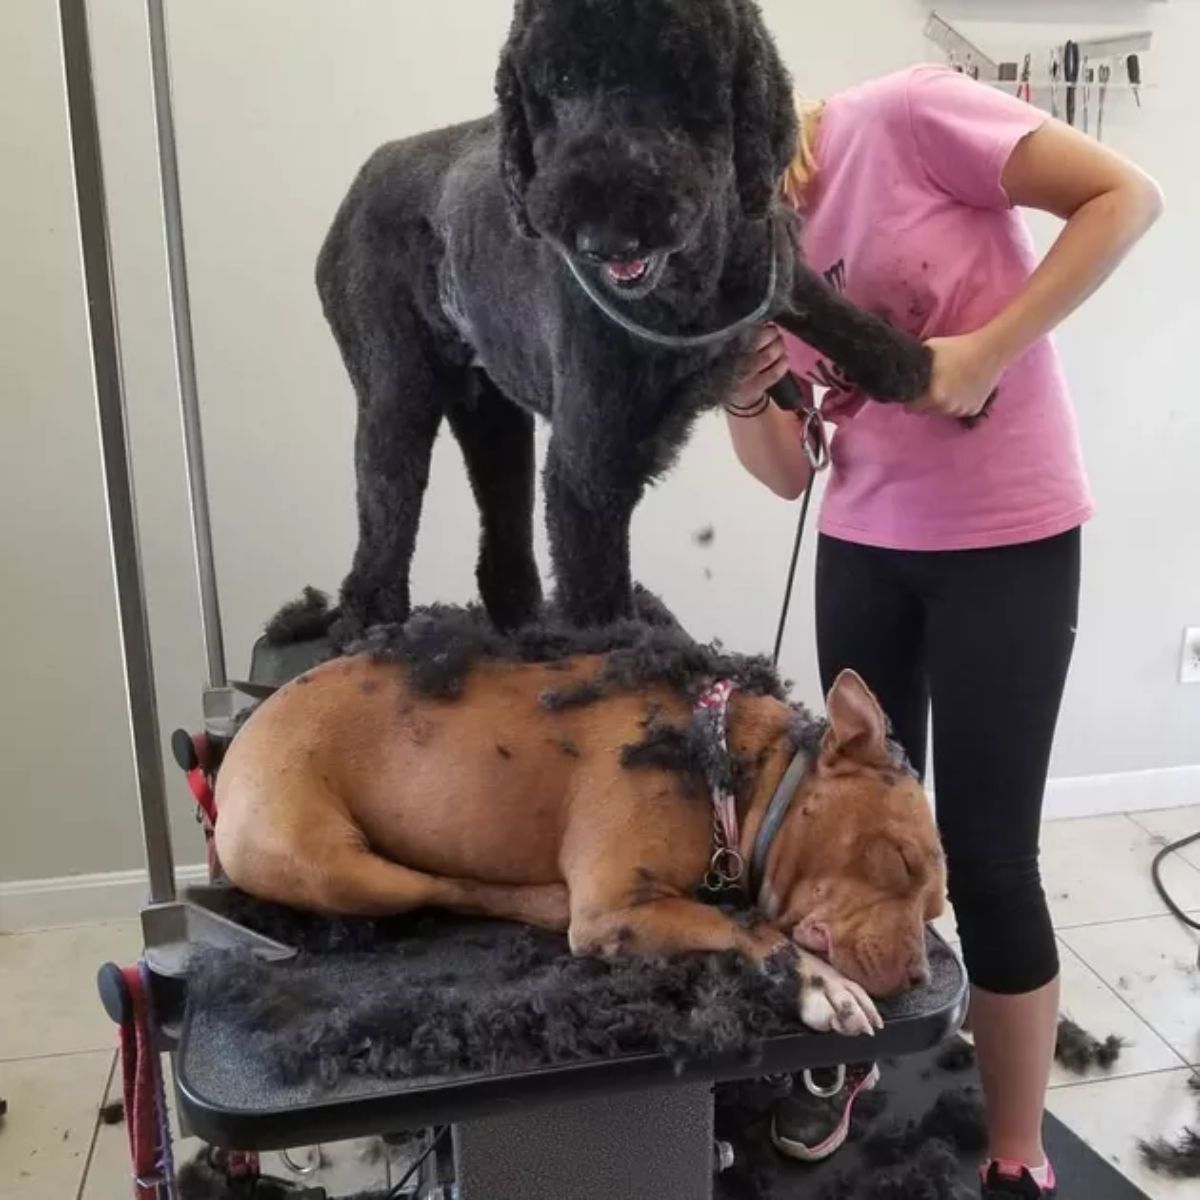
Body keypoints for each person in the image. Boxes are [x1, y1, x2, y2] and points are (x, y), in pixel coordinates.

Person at [727, 66, 1162, 1199]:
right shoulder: (738, 248)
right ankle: (852, 1068)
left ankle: (1016, 1156)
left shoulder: (906, 120)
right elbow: (786, 473)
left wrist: (982, 352)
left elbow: (1126, 197)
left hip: (1006, 536)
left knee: (988, 858)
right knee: (840, 835)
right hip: (863, 542)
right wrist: (739, 390)